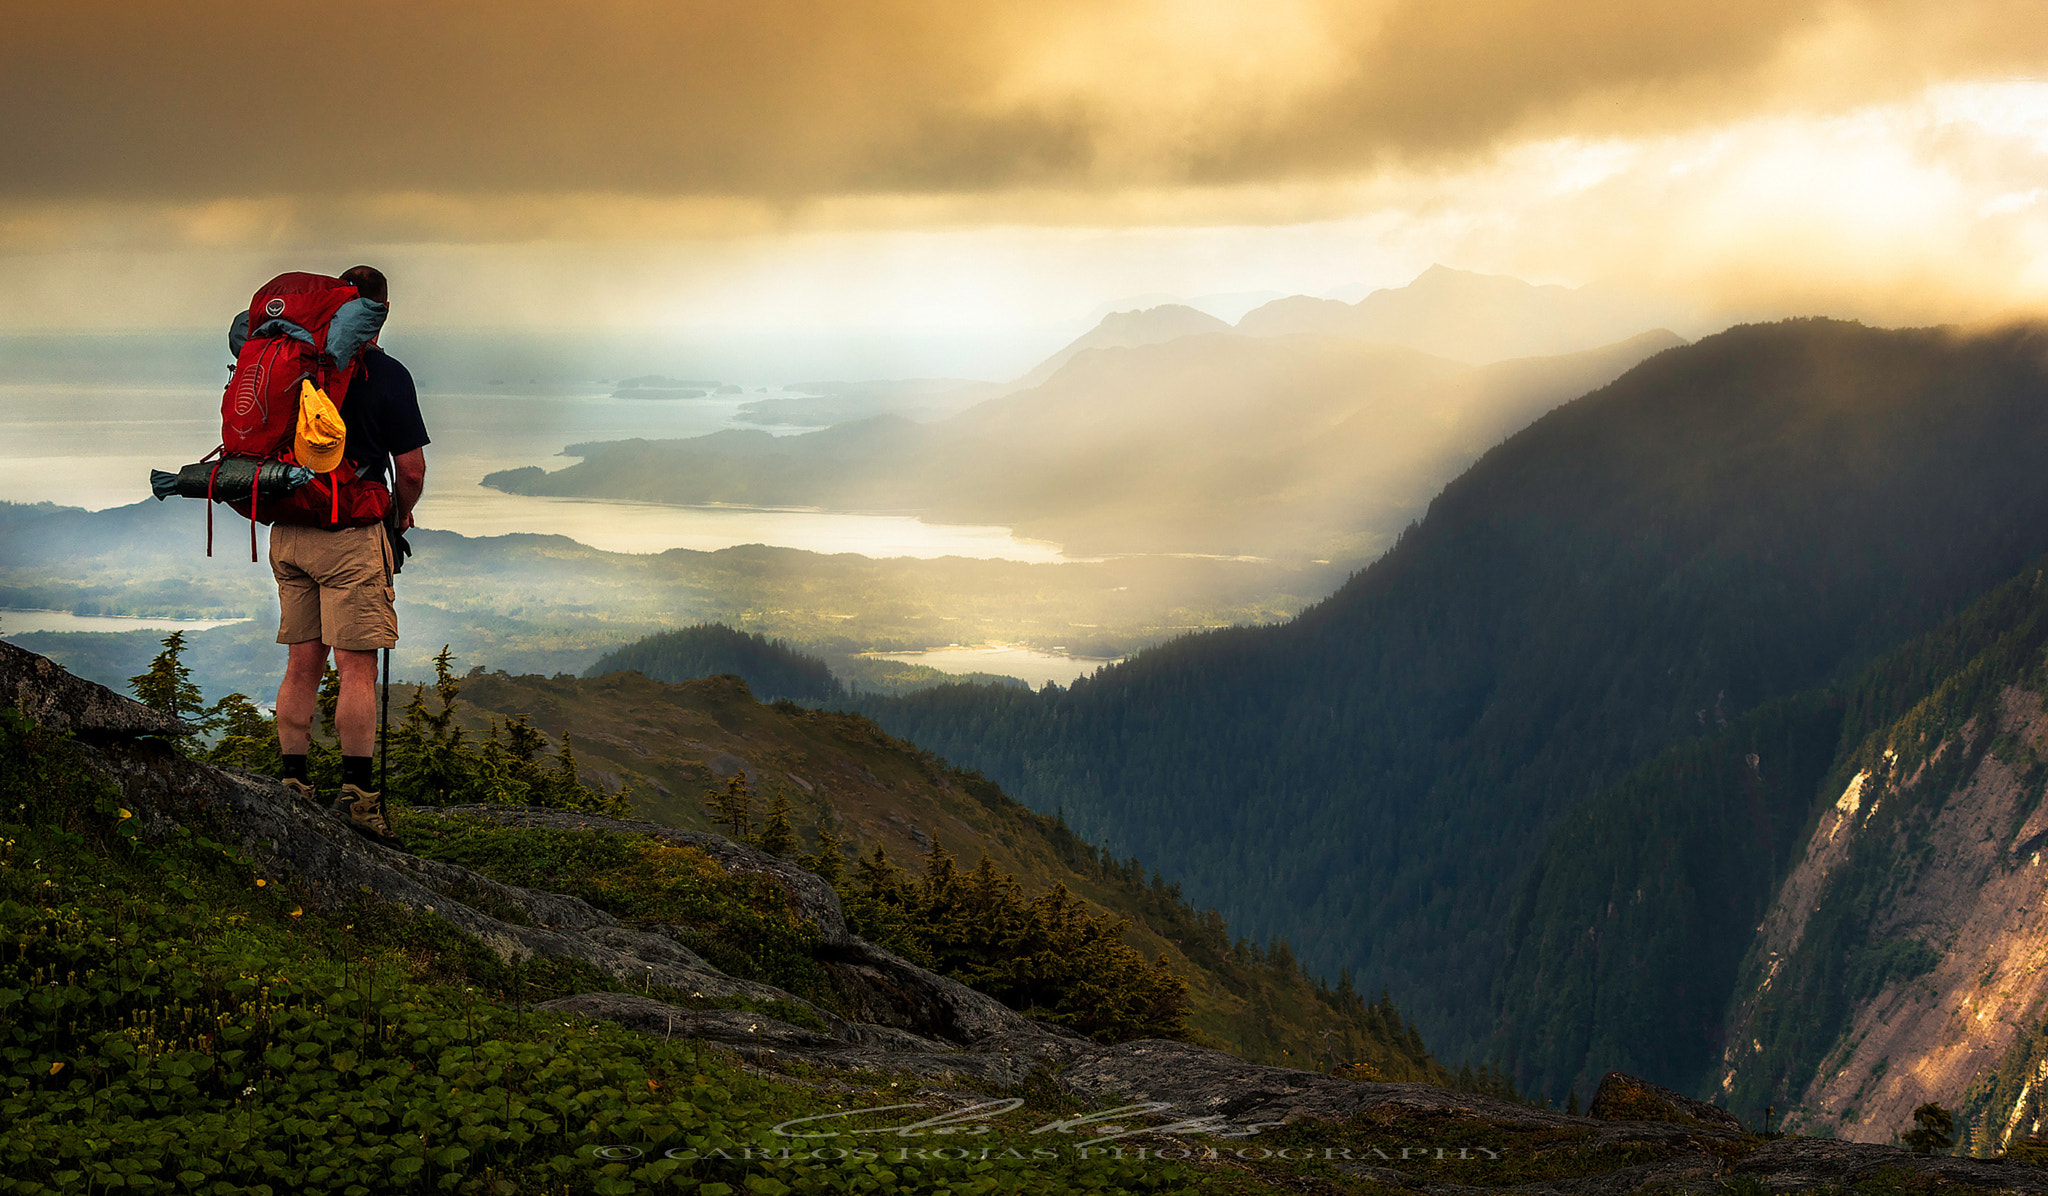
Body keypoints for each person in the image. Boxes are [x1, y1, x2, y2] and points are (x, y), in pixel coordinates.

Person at [271, 265, 429, 847]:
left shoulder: (295, 367)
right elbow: (409, 470)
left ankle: (291, 783)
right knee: (356, 667)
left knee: (301, 664)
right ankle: (359, 802)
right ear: (383, 312)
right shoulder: (386, 374)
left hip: (289, 527)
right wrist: (400, 514)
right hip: (349, 536)